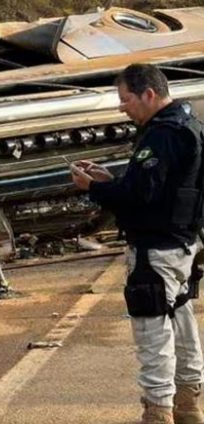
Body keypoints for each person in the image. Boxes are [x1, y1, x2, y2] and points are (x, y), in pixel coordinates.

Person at [72, 64, 204, 424]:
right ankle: (189, 407)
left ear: (149, 94)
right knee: (181, 322)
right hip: (181, 245)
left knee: (153, 335)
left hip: (156, 251)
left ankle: (159, 413)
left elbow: (141, 194)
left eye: (126, 99)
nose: (122, 107)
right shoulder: (190, 125)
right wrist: (112, 180)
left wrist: (95, 188)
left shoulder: (163, 134)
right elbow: (159, 188)